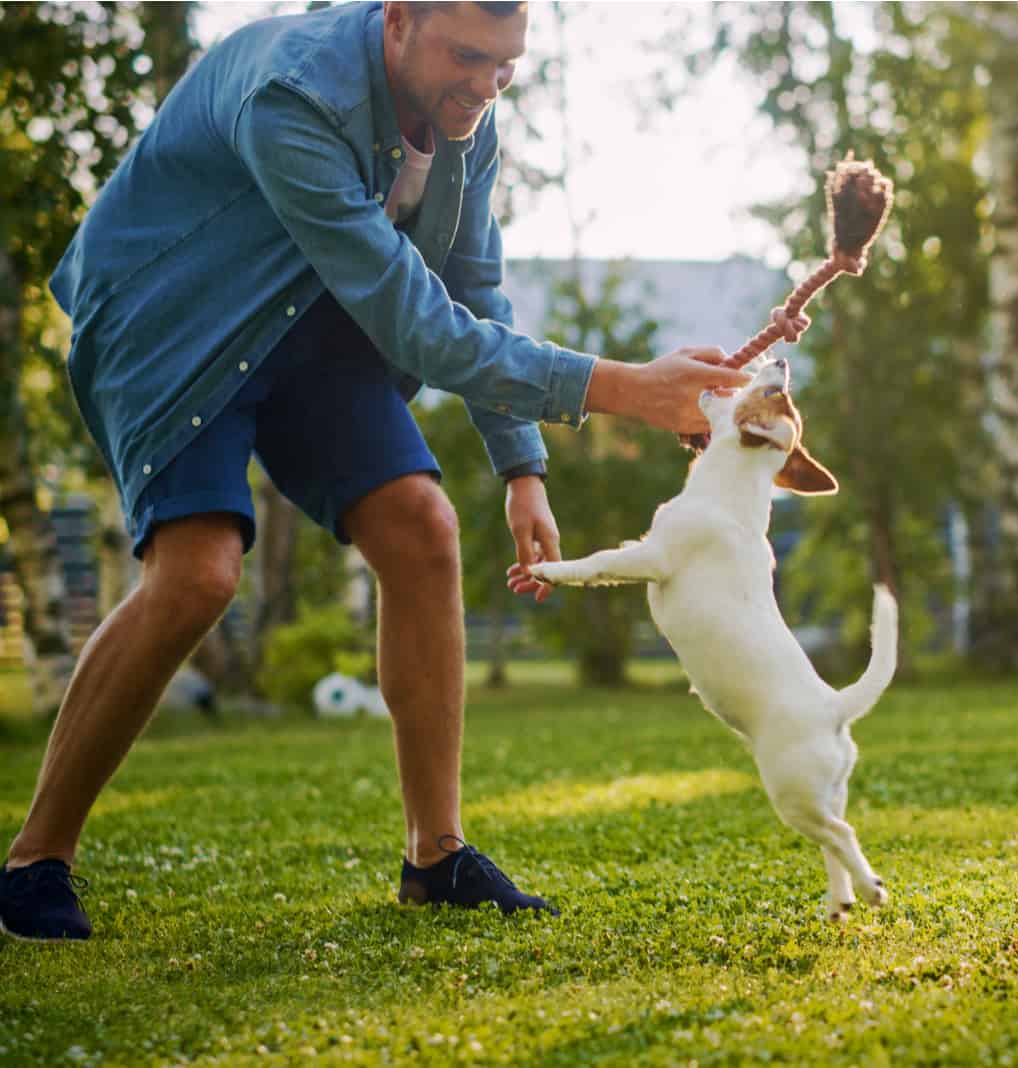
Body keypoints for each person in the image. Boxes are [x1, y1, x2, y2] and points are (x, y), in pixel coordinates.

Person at [0, 0, 749, 942]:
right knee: (198, 574)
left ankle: (435, 858)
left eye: (506, 66)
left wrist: (523, 466)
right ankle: (34, 862)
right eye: (468, 56)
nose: (485, 87)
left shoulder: (468, 123)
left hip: (314, 327)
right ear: (398, 18)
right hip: (171, 321)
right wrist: (629, 388)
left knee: (424, 532)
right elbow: (414, 322)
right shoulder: (292, 93)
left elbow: (471, 289)